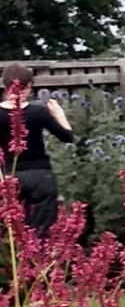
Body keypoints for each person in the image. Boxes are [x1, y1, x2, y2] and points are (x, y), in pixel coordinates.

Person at [1, 64, 75, 238]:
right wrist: (59, 113)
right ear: (29, 86)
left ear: (5, 86)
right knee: (41, 232)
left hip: (9, 176)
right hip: (40, 176)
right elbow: (67, 137)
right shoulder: (38, 112)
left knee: (10, 231)